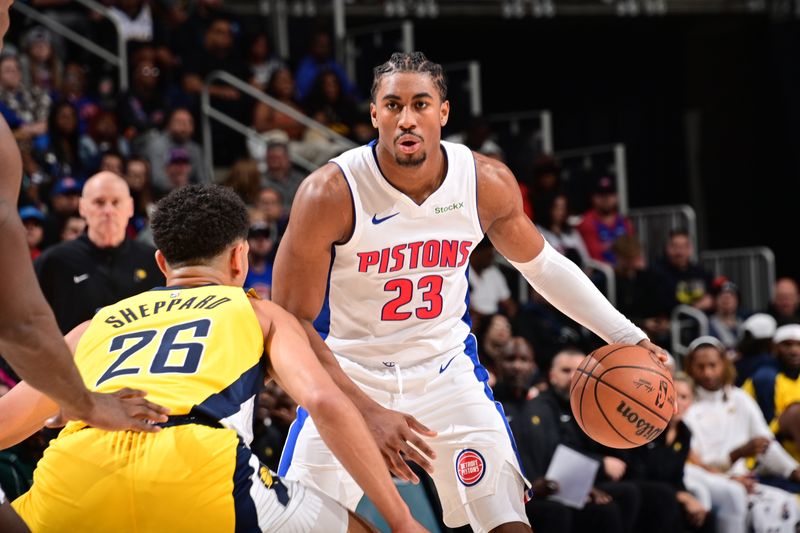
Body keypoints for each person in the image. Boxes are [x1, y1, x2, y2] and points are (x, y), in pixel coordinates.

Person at [272, 51, 666, 533]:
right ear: (374, 115)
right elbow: (291, 323)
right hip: (352, 374)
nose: (407, 118)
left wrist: (625, 336)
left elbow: (543, 267)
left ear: (444, 112)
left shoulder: (485, 182)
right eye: (393, 105)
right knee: (297, 526)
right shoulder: (329, 192)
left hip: (447, 374)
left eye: (421, 103)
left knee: (507, 522)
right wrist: (366, 411)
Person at [0, 183, 426, 533]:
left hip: (74, 477)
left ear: (162, 263)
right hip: (196, 471)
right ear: (240, 258)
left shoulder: (94, 326)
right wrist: (402, 520)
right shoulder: (258, 311)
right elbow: (324, 402)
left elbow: (5, 426)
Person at [0, 4, 172, 529]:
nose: (8, 19)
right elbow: (24, 325)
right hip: (69, 393)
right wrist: (83, 403)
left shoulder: (149, 259)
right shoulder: (56, 261)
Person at [34, 171, 165, 333]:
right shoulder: (54, 261)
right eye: (99, 202)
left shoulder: (153, 261)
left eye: (116, 202)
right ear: (82, 207)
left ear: (130, 207)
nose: (108, 211)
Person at [743, 324, 800, 462]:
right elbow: (765, 426)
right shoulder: (764, 378)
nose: (794, 351)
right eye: (787, 345)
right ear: (775, 348)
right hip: (766, 450)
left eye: (799, 345)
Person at [575, 175, 635, 266]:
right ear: (593, 198)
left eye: (609, 194)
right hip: (602, 274)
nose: (606, 199)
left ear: (616, 197)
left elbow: (635, 251)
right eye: (601, 195)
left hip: (626, 270)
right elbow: (594, 257)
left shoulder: (624, 222)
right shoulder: (586, 222)